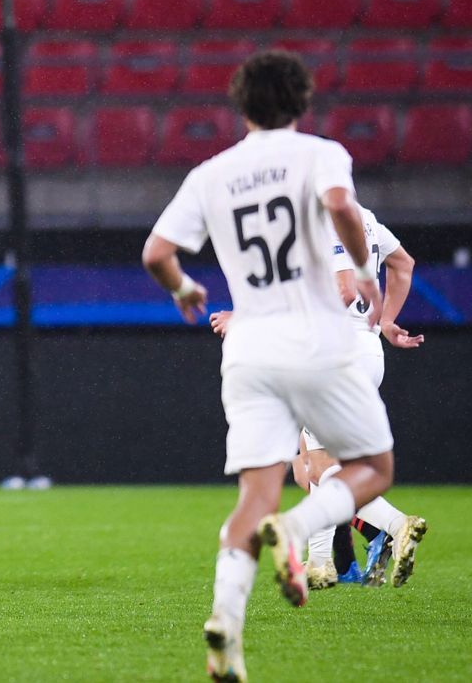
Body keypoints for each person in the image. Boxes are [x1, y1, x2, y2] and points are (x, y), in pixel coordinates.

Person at [141, 50, 399, 683]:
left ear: (240, 105)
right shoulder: (321, 154)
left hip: (249, 346)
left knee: (252, 495)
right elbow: (340, 204)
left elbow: (156, 252)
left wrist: (182, 291)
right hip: (314, 339)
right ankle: (296, 525)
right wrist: (365, 271)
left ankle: (226, 625)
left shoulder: (212, 172)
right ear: (301, 103)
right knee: (375, 468)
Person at [211, 203, 427, 590]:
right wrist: (388, 320)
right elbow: (403, 264)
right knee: (310, 464)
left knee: (321, 467)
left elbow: (342, 292)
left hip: (333, 353)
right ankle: (324, 561)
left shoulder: (327, 218)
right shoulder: (366, 217)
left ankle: (392, 527)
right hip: (364, 349)